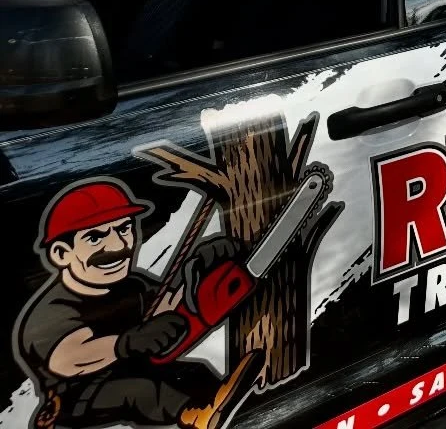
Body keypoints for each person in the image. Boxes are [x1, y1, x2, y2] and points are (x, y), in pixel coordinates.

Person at [14, 179, 261, 429]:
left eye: (123, 229)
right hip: (78, 398)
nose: (119, 246)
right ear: (61, 253)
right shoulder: (53, 309)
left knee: (194, 371)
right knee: (139, 391)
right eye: (95, 237)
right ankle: (194, 417)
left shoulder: (134, 285)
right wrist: (125, 344)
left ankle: (218, 401)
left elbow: (170, 305)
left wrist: (200, 268)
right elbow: (68, 359)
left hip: (134, 367)